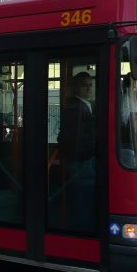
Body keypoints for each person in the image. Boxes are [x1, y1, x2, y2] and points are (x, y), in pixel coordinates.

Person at [57, 70, 97, 232]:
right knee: (84, 196)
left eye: (90, 85)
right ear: (75, 88)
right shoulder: (75, 108)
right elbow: (81, 137)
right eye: (83, 86)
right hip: (81, 160)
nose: (88, 89)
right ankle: (83, 228)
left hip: (83, 159)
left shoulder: (85, 106)